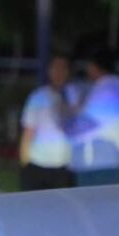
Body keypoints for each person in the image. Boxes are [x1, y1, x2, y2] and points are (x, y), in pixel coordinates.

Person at [66, 46, 119, 186]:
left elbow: (84, 124)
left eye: (89, 65)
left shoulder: (108, 89)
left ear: (95, 66)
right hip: (97, 161)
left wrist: (69, 120)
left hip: (98, 163)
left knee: (98, 199)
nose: (87, 69)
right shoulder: (106, 87)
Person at [18, 53, 76, 191]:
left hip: (64, 166)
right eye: (55, 68)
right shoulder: (38, 97)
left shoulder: (74, 96)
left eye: (63, 68)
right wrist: (24, 163)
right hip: (38, 165)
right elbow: (28, 132)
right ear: (49, 71)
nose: (59, 72)